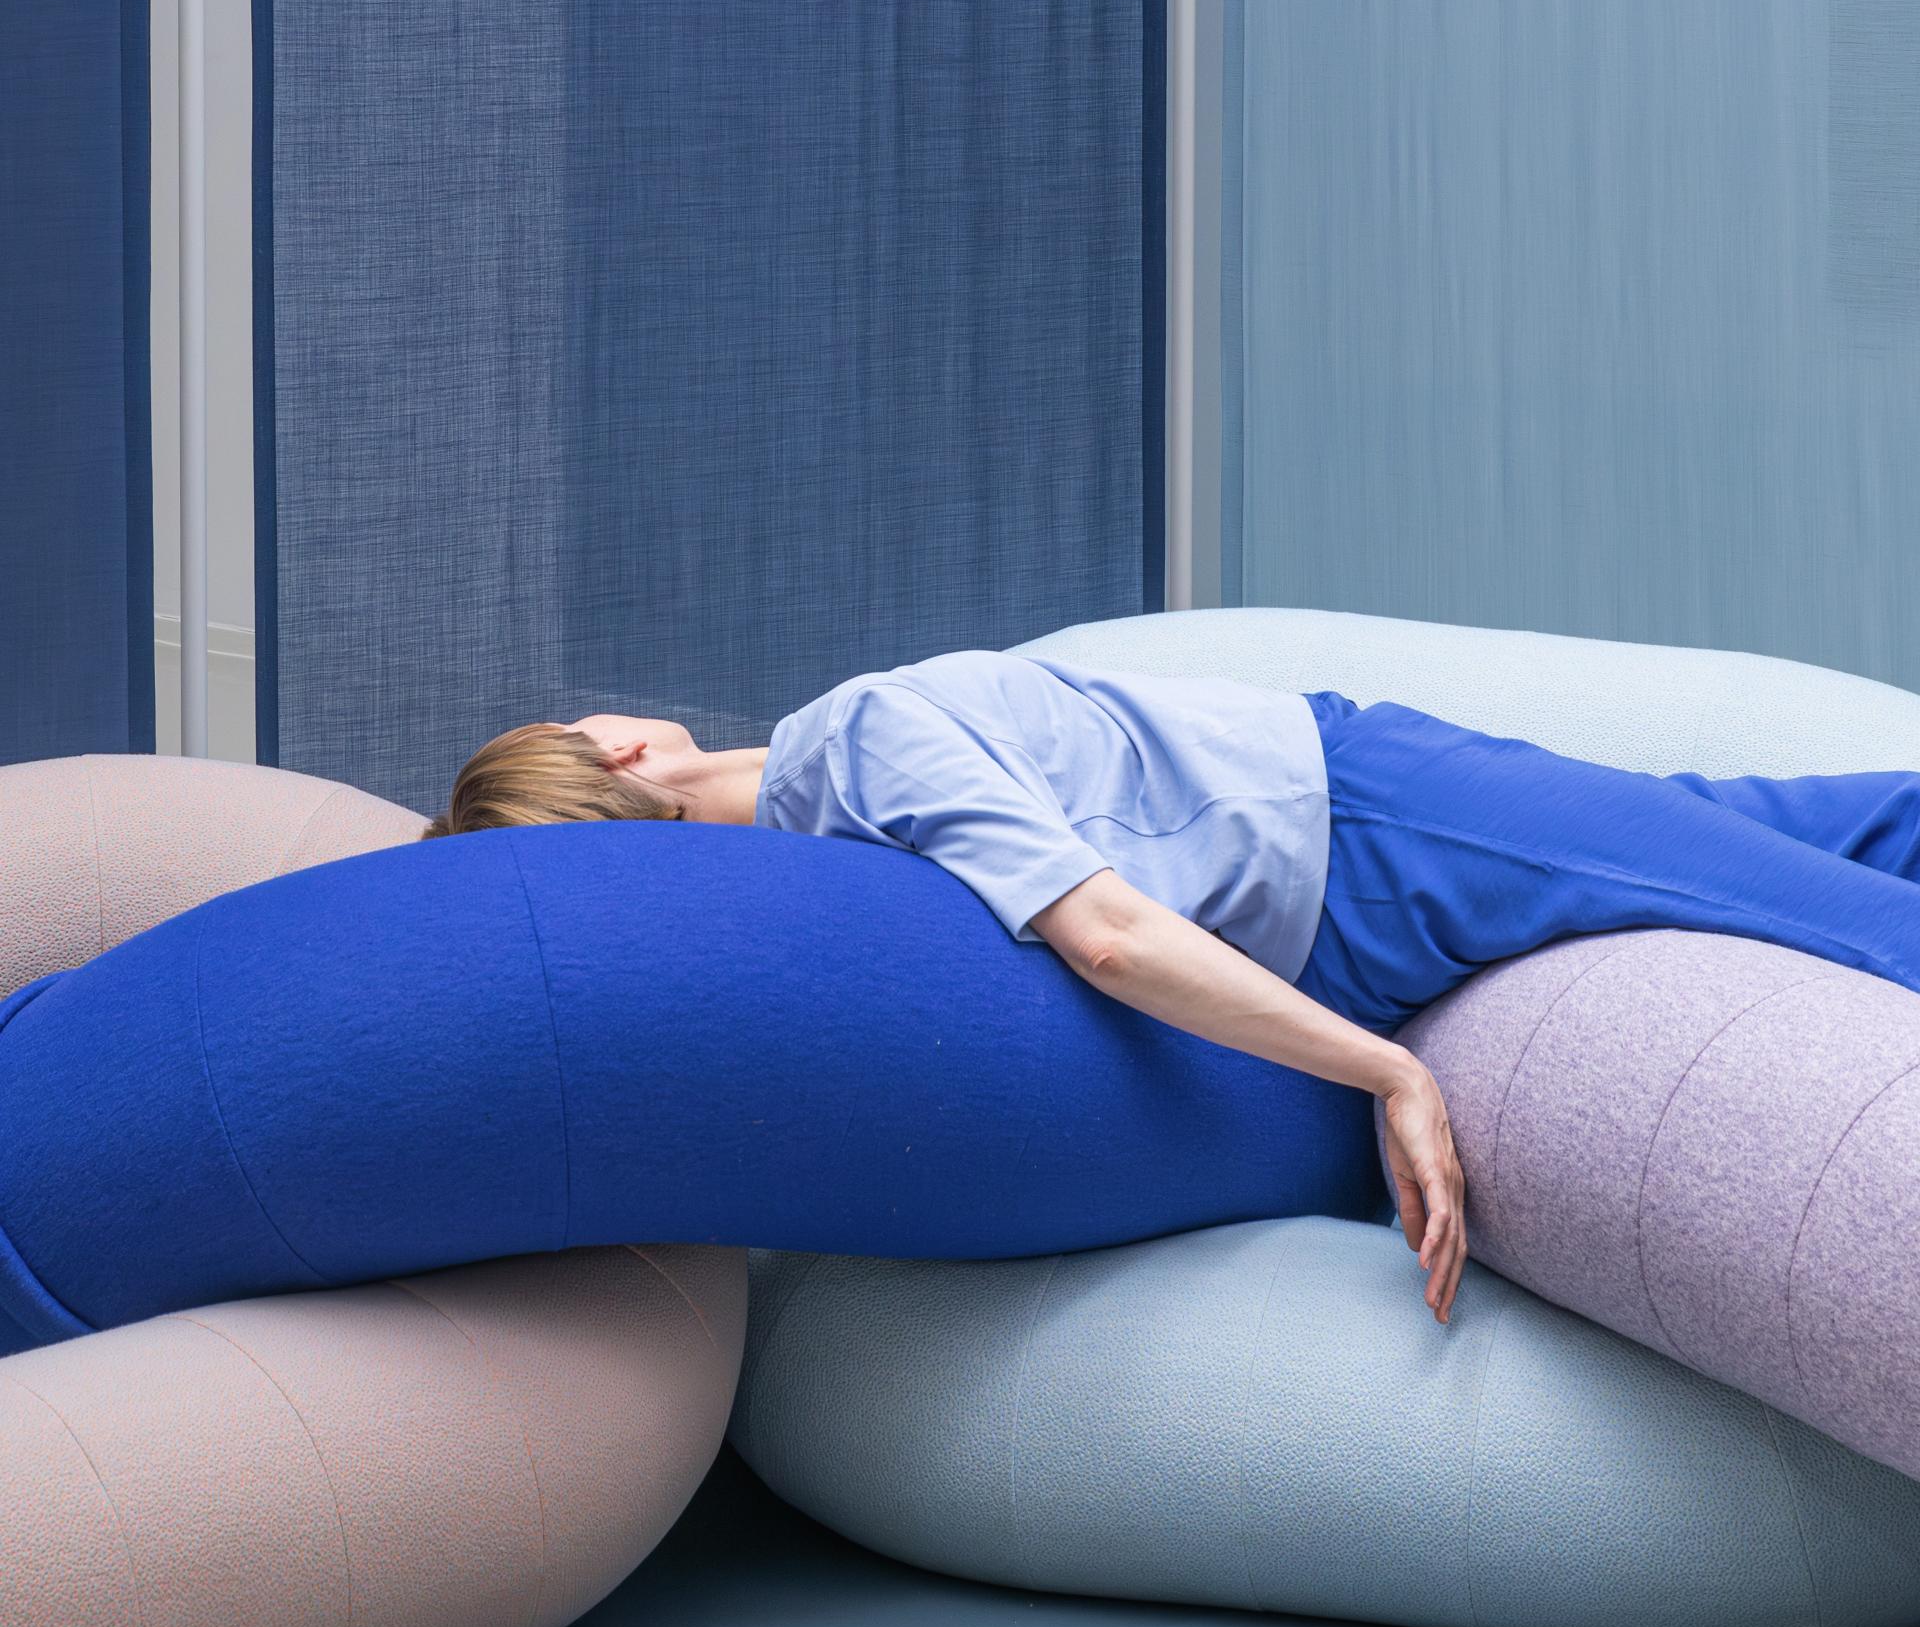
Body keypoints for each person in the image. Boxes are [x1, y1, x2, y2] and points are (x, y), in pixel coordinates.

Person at [425, 650, 1920, 1331]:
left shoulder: (821, 830)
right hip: (1378, 837)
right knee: (1819, 895)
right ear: (616, 753)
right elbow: (1114, 938)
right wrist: (1389, 1075)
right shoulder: (857, 745)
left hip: (1356, 827)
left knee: (1790, 830)